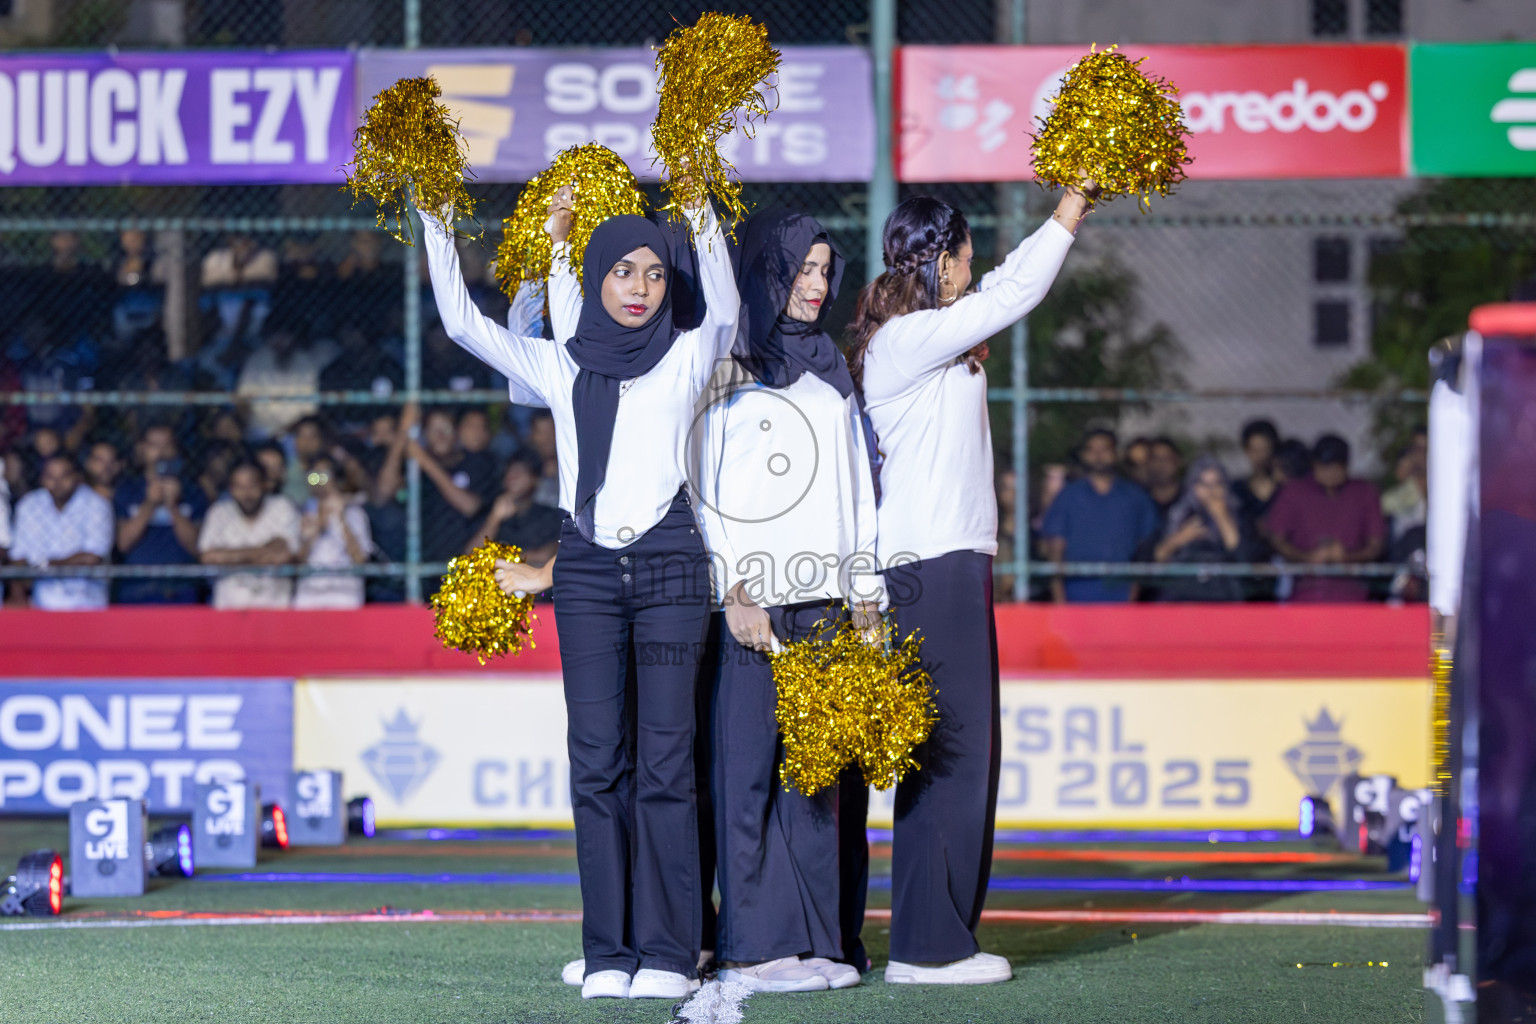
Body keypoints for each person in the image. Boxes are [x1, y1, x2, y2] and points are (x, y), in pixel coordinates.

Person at [422, 177, 738, 1001]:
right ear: (599, 277)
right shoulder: (560, 362)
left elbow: (727, 304)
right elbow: (461, 323)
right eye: (623, 272)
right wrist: (435, 217)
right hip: (588, 573)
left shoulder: (688, 352)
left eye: (655, 273)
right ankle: (607, 952)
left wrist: (699, 207)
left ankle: (668, 953)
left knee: (666, 763)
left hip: (671, 566)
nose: (640, 288)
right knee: (596, 765)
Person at [847, 182, 1091, 985]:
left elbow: (1002, 286)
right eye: (966, 255)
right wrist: (1071, 206)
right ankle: (928, 946)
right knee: (951, 753)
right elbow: (1013, 293)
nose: (975, 268)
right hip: (932, 563)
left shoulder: (929, 333)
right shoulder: (907, 338)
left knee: (958, 750)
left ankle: (938, 935)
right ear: (941, 262)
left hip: (949, 561)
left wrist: (1069, 214)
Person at [692, 208, 878, 994]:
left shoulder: (833, 367)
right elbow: (704, 490)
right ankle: (755, 944)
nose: (817, 284)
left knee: (817, 782)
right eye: (803, 268)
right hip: (754, 606)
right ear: (770, 271)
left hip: (827, 601)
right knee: (747, 778)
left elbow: (858, 489)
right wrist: (734, 588)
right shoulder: (731, 368)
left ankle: (820, 943)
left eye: (826, 271)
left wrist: (865, 593)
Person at [1040, 429, 1159, 603]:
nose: (1098, 455)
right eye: (1092, 450)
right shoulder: (1068, 496)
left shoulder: (1136, 497)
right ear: (1084, 455)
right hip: (1075, 596)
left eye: (1104, 449)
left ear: (1116, 453)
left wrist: (1133, 594)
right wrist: (1059, 601)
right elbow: (1055, 550)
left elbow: (1145, 551)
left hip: (1123, 597)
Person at [1263, 434, 1385, 603]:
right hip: (1304, 593)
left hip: (1353, 596)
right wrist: (1307, 558)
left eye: (1335, 468)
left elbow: (1376, 545)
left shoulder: (1365, 493)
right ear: (1314, 466)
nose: (1329, 474)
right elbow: (1276, 538)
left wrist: (1346, 557)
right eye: (1323, 468)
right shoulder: (1294, 492)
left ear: (1346, 467)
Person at [115, 424, 208, 604]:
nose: (161, 452)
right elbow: (123, 544)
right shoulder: (127, 489)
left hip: (181, 588)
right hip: (136, 588)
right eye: (154, 445)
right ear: (142, 449)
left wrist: (173, 507)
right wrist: (150, 504)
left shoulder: (193, 491)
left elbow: (196, 547)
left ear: (176, 449)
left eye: (167, 445)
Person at [7, 454, 114, 609]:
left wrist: (43, 566)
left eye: (64, 476)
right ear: (42, 478)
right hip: (40, 603)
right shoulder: (29, 505)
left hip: (87, 603)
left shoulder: (97, 504)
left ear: (77, 477)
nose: (57, 483)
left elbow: (91, 557)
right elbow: (18, 557)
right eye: (50, 477)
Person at [198, 461, 300, 609]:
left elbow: (283, 556)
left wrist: (229, 556)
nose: (246, 494)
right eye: (239, 487)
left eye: (252, 486)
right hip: (229, 609)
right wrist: (263, 552)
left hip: (274, 609)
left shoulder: (282, 506)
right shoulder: (218, 512)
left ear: (264, 484)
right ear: (230, 489)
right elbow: (209, 557)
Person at [1151, 456, 1252, 602]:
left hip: (1223, 594)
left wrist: (1221, 514)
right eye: (1203, 484)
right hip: (1182, 595)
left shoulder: (1237, 513)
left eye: (1216, 483)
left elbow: (1242, 555)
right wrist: (1180, 538)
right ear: (1193, 486)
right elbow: (1158, 556)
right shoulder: (1179, 514)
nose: (1210, 490)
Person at [235, 314, 338, 440]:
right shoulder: (257, 359)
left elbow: (309, 411)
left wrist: (286, 431)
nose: (281, 341)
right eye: (277, 335)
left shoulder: (305, 363)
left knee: (309, 430)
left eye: (286, 336)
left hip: (293, 433)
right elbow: (243, 401)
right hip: (259, 430)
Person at [293, 454, 373, 610]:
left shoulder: (355, 514)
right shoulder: (302, 513)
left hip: (345, 594)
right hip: (309, 594)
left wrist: (341, 519)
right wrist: (318, 526)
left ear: (336, 479)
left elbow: (359, 559)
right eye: (314, 476)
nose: (319, 482)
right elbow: (296, 564)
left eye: (324, 475)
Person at [467, 450, 562, 565]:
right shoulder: (489, 510)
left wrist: (500, 557)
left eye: (521, 472)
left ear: (535, 480)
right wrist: (494, 519)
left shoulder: (548, 516)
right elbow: (470, 555)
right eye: (510, 471)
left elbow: (545, 556)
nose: (513, 477)